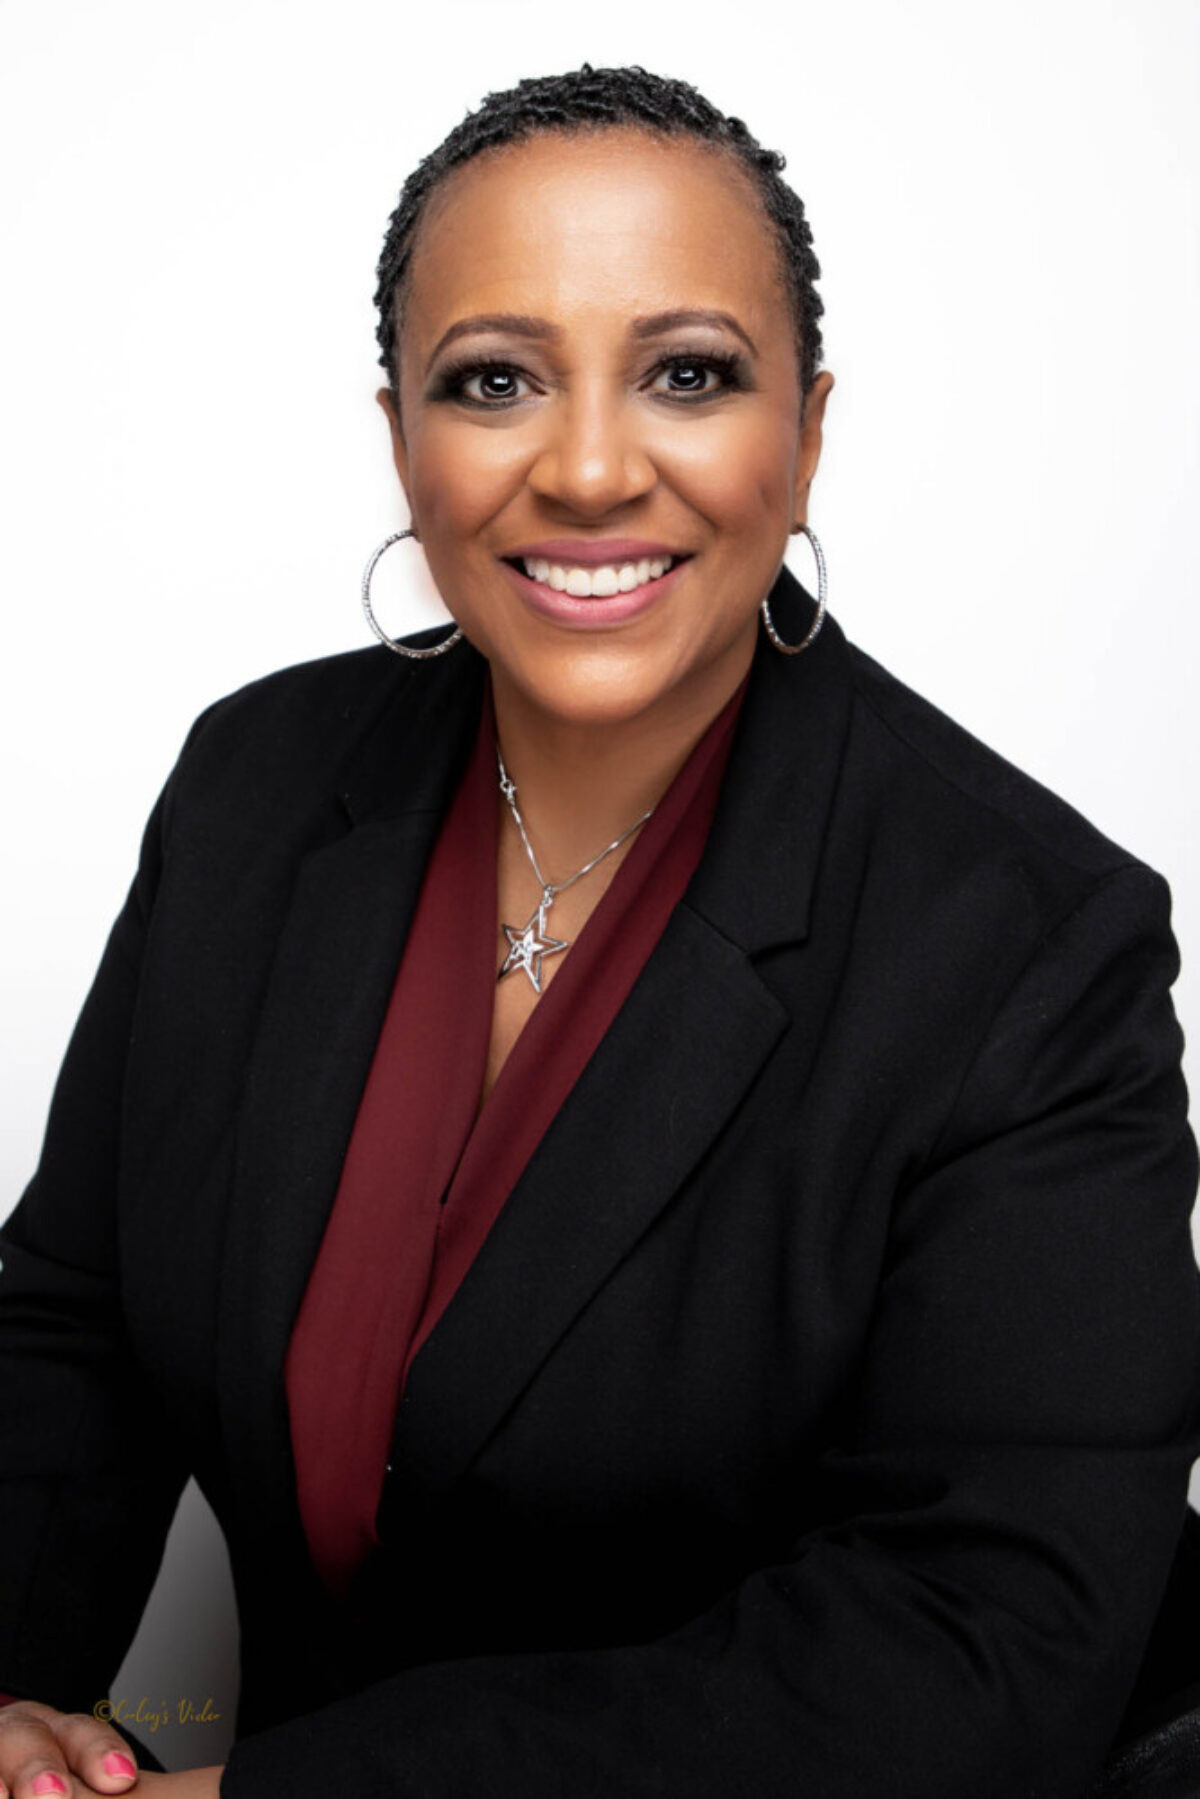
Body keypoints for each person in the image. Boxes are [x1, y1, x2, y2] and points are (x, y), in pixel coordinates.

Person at [1, 60, 1199, 1799]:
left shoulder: (1032, 945)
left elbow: (974, 1635)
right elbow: (75, 1320)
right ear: (403, 431)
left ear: (809, 428)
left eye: (689, 376)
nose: (581, 467)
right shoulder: (260, 781)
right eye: (494, 380)